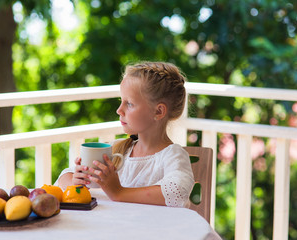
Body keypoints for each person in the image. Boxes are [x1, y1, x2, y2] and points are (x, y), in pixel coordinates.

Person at [57, 61, 194, 207]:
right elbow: (64, 176)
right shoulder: (118, 148)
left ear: (158, 111)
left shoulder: (173, 156)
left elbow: (177, 192)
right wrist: (76, 180)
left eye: (129, 103)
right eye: (121, 101)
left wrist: (118, 192)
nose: (119, 110)